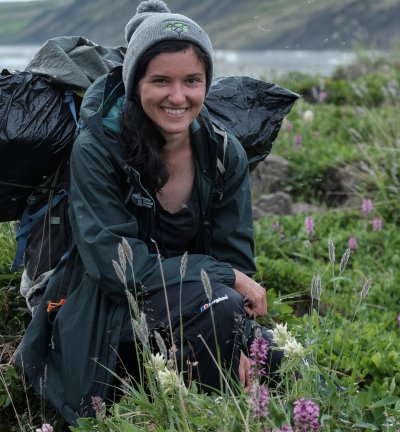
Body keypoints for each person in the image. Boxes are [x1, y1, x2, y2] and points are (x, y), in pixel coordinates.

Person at [15, 0, 271, 423]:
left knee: (272, 358)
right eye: (161, 81)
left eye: (192, 80)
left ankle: (207, 403)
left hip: (194, 305)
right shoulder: (97, 149)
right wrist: (225, 280)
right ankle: (201, 412)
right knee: (221, 308)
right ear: (135, 84)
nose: (178, 96)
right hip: (110, 311)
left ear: (208, 82)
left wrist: (241, 338)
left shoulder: (225, 153)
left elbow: (235, 257)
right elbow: (120, 272)